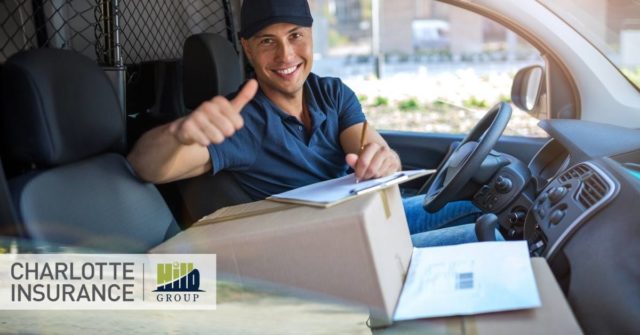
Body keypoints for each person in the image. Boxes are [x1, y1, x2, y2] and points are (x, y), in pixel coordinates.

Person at [127, 0, 496, 246]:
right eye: (267, 41)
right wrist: (179, 133)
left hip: (366, 219)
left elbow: (372, 150)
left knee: (492, 209)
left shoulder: (332, 93)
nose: (286, 55)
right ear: (247, 48)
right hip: (328, 250)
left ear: (311, 35)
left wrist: (384, 161)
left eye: (295, 36)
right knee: (489, 239)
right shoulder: (237, 119)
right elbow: (146, 167)